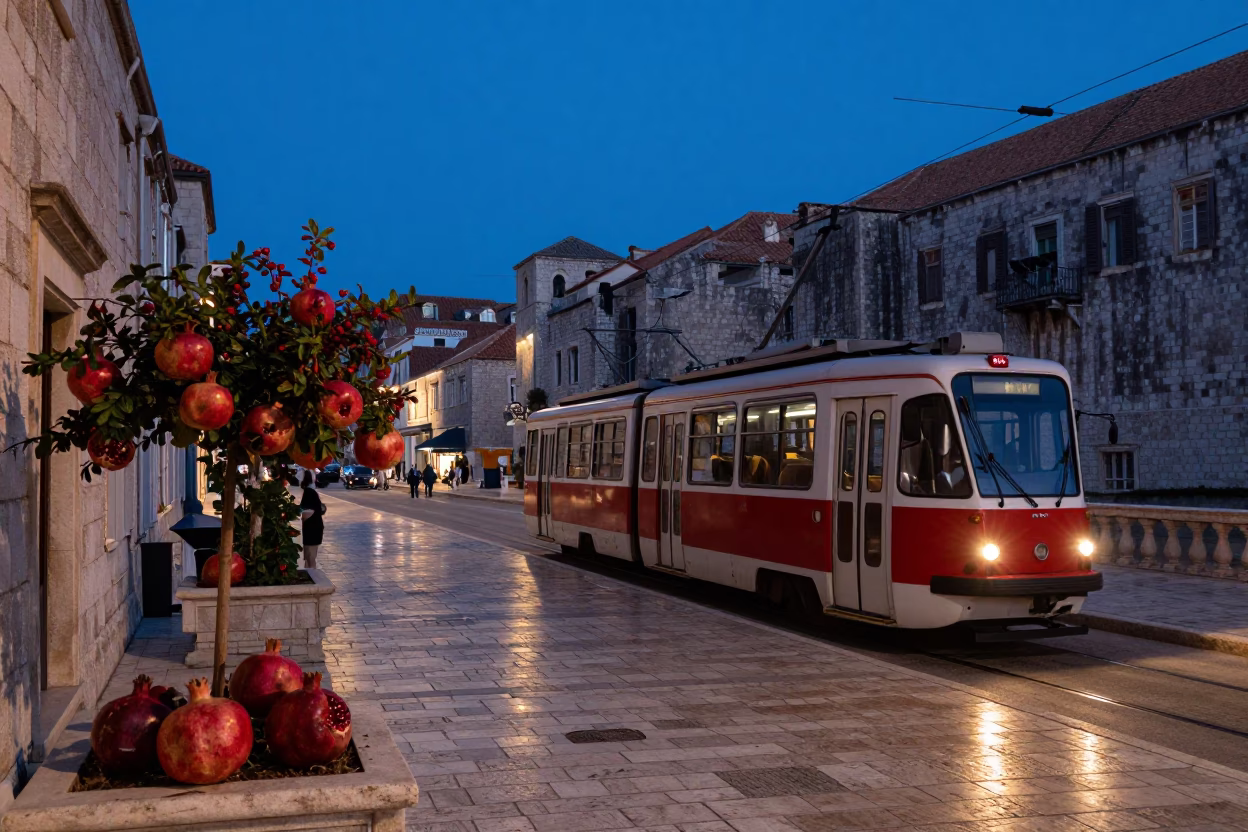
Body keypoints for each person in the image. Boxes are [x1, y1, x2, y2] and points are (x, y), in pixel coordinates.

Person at [299, 470, 326, 569]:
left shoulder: (309, 492)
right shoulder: (310, 491)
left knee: (310, 557)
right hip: (313, 528)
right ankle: (310, 574)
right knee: (309, 557)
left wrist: (302, 516)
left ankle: (313, 576)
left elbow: (308, 511)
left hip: (312, 528)